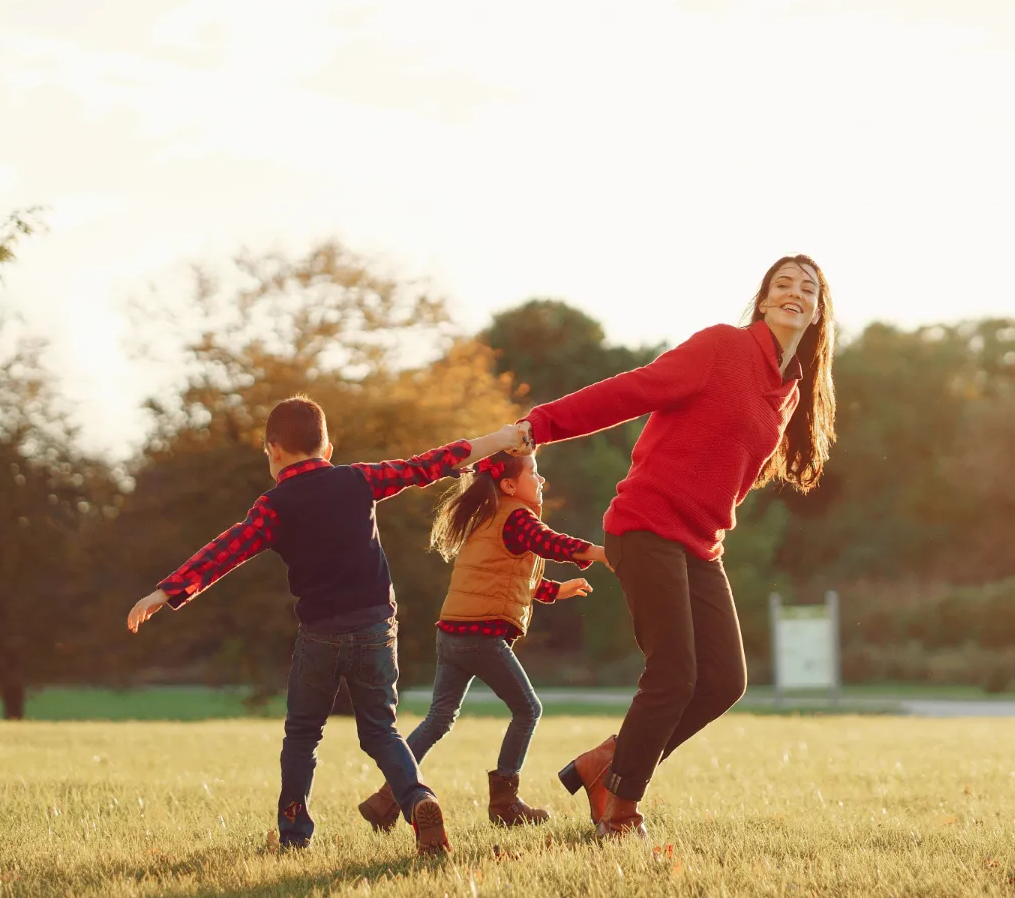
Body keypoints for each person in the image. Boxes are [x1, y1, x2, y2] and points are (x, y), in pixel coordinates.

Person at [513, 255, 837, 838]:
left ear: (818, 312)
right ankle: (620, 808)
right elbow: (632, 391)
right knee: (674, 673)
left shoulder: (788, 391)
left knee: (724, 681)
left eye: (807, 289)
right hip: (645, 524)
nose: (795, 293)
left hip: (699, 543)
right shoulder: (722, 347)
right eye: (782, 284)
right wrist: (542, 425)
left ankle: (607, 762)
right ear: (763, 301)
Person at [126, 395, 529, 855]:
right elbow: (428, 465)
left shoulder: (273, 505)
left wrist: (166, 592)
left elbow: (227, 550)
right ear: (329, 449)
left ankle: (294, 834)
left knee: (302, 733)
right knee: (381, 731)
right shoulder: (358, 479)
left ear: (273, 450)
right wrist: (500, 439)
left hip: (319, 634)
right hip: (377, 627)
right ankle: (417, 799)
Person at [356, 448, 602, 831]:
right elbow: (552, 543)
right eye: (533, 473)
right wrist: (605, 553)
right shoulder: (517, 516)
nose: (541, 480)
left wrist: (556, 590)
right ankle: (504, 802)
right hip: (480, 637)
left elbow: (506, 576)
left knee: (438, 719)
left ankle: (386, 799)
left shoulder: (488, 517)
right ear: (508, 484)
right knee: (528, 709)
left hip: (453, 631)